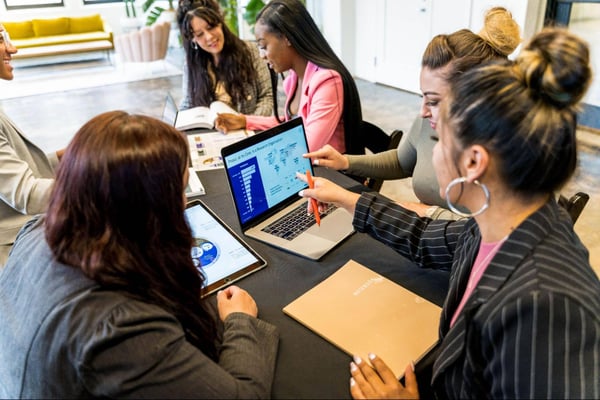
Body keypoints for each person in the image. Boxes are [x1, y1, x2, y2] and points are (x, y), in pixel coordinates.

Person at [299, 27, 599, 398]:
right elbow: (424, 237)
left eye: (438, 139)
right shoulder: (497, 224)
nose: (432, 153)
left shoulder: (544, 308)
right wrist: (349, 199)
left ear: (474, 162)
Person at [0, 111, 279, 398]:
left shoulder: (37, 231)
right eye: (180, 191)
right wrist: (241, 321)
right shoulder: (121, 327)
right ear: (148, 208)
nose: (185, 203)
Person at [305, 7, 521, 220]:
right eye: (422, 97)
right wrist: (346, 162)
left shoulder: (510, 148)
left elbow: (493, 230)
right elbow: (403, 162)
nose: (423, 112)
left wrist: (426, 212)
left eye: (434, 101)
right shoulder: (432, 121)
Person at [214, 0, 364, 155]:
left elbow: (307, 147)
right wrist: (245, 121)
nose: (262, 55)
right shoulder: (294, 78)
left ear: (287, 38)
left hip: (326, 167)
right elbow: (292, 125)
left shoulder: (328, 81)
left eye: (264, 46)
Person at [0, 24, 63, 266]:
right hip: (14, 248)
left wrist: (68, 157)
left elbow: (9, 174)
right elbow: (27, 195)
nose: (12, 48)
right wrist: (98, 185)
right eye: (1, 40)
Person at [177, 0, 273, 115]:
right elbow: (187, 104)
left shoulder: (250, 51)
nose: (209, 37)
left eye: (211, 27)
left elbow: (267, 97)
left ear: (220, 23)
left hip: (248, 124)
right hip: (209, 126)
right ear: (193, 39)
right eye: (200, 34)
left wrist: (248, 122)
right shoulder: (191, 65)